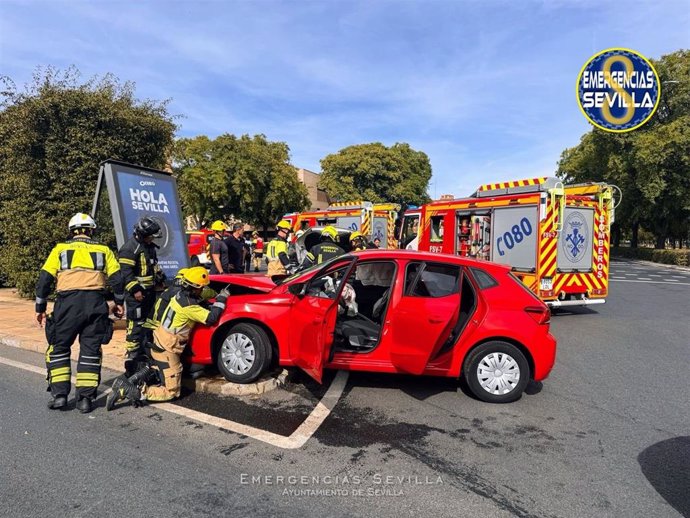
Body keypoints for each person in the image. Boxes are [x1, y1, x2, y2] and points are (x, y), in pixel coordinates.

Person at [35, 213, 124, 413]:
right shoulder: (103, 250)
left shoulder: (60, 249)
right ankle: (85, 399)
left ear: (72, 231)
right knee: (90, 352)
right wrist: (119, 303)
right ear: (91, 230)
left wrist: (40, 308)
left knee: (58, 348)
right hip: (96, 304)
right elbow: (117, 279)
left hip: (67, 305)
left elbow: (44, 280)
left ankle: (59, 396)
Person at [107, 267, 228, 408]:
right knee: (172, 391)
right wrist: (221, 299)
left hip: (158, 341)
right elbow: (211, 317)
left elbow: (200, 300)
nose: (202, 290)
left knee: (155, 368)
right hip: (167, 349)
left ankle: (126, 381)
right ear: (195, 288)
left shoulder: (179, 295)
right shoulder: (189, 306)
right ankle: (134, 391)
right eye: (201, 287)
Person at [118, 216, 161, 373]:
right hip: (136, 295)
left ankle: (146, 352)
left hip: (149, 293)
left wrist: (159, 277)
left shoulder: (149, 247)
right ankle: (132, 356)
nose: (152, 239)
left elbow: (152, 267)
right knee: (135, 323)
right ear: (142, 234)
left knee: (149, 322)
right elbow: (126, 274)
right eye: (150, 236)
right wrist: (135, 290)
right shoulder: (129, 248)